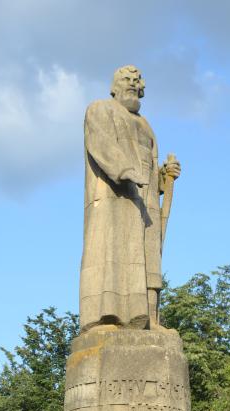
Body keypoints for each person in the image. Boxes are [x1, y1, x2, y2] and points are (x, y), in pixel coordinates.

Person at [80, 65, 181, 332]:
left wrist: (163, 178)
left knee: (148, 259)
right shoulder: (100, 108)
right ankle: (106, 318)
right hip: (114, 196)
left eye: (137, 82)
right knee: (110, 251)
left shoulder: (145, 124)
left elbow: (149, 164)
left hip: (144, 200)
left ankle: (149, 320)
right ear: (114, 86)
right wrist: (125, 170)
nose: (133, 85)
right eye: (127, 80)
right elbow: (100, 142)